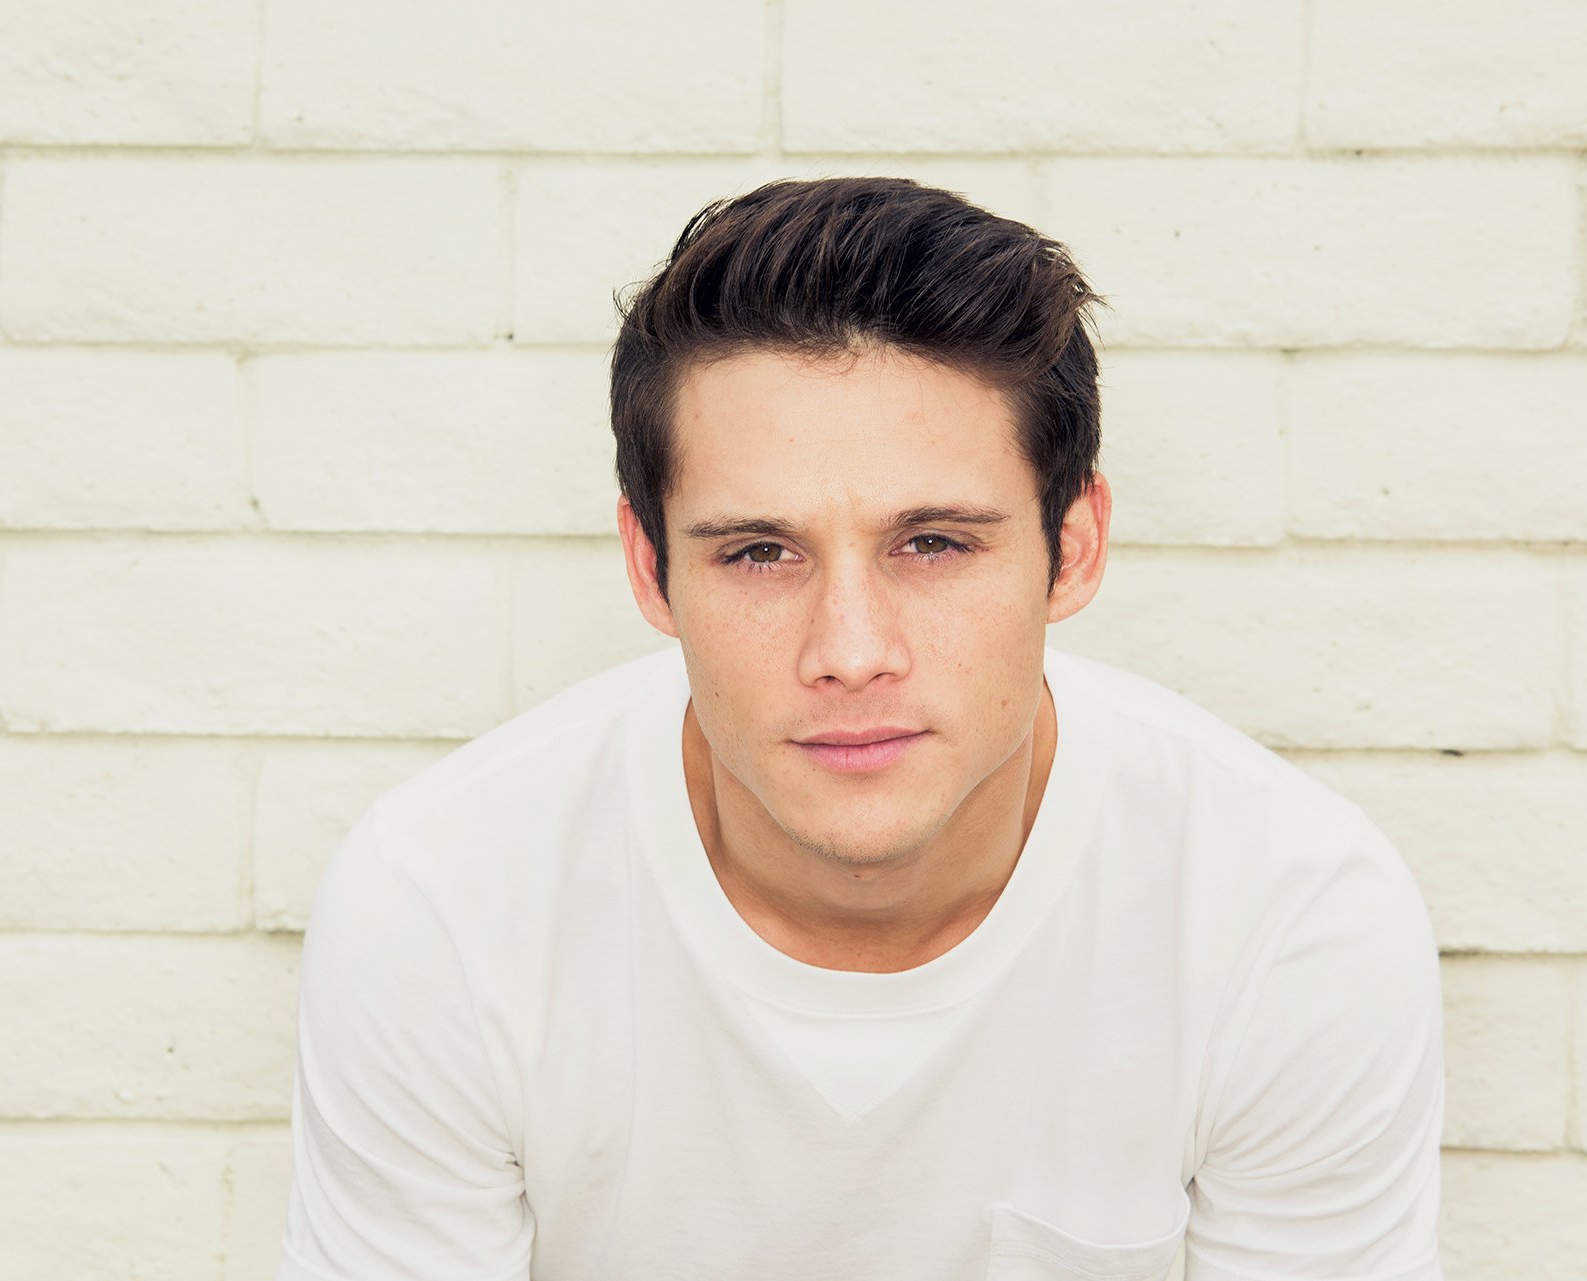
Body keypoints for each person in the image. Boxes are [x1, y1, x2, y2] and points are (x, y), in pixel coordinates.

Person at [275, 176, 1446, 1281]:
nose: (848, 649)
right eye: (757, 552)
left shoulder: (1288, 919)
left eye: (933, 544)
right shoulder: (446, 904)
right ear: (649, 569)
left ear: (1073, 549)